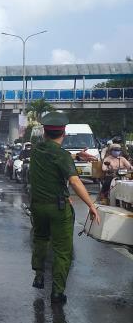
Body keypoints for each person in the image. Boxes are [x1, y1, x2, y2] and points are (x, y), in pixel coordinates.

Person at [29, 112, 100, 304]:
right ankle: (57, 292)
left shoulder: (36, 151)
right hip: (58, 208)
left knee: (40, 239)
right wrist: (91, 205)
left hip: (37, 206)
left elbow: (53, 156)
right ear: (64, 134)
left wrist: (77, 155)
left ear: (44, 133)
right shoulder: (62, 155)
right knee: (62, 250)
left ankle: (39, 275)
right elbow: (75, 182)